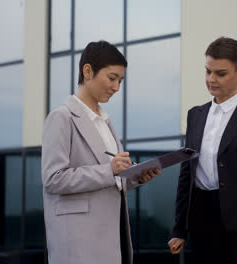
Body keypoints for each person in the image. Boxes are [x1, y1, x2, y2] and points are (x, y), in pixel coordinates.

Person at [41, 41, 161, 264]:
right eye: (112, 78)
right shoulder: (61, 118)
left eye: (120, 81)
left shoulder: (105, 122)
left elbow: (112, 178)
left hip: (112, 239)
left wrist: (136, 176)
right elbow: (53, 180)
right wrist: (109, 170)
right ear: (88, 71)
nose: (117, 87)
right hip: (79, 243)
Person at [168, 37, 237, 264]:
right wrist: (179, 229)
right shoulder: (195, 115)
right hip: (200, 219)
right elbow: (187, 175)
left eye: (220, 73)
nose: (211, 80)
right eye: (208, 71)